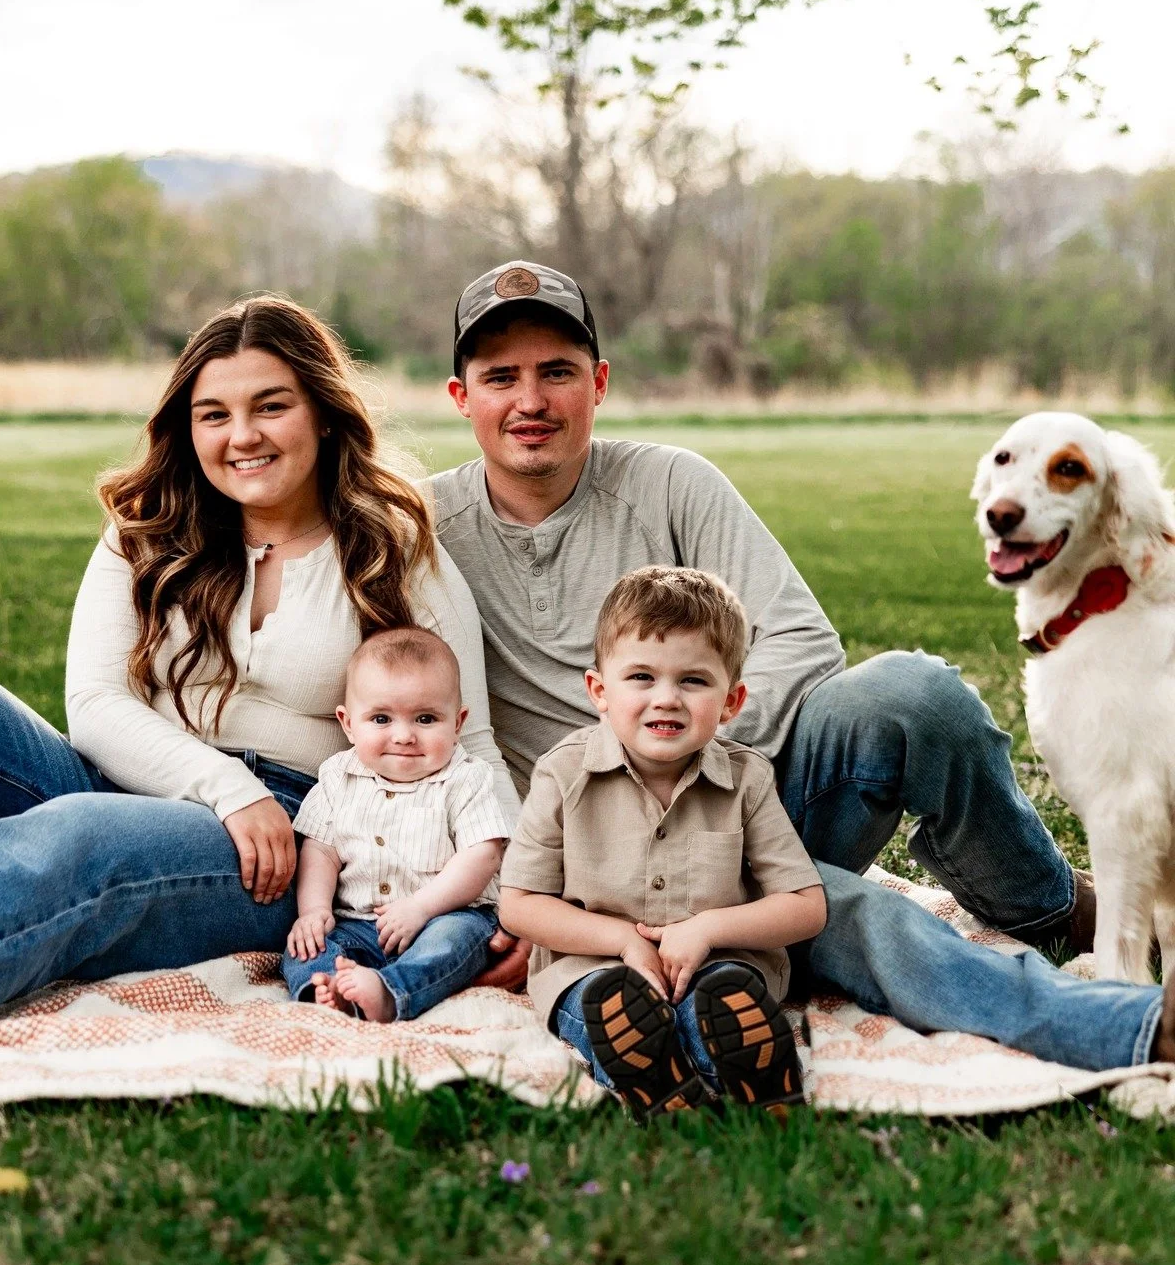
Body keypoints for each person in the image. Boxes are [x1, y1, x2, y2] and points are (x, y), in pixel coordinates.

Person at [436, 259, 1175, 1073]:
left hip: (744, 800)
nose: (531, 401)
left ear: (600, 382)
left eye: (557, 373)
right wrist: (509, 886)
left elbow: (800, 642)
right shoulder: (425, 525)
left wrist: (696, 769)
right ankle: (1125, 1025)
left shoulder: (672, 482)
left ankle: (1052, 908)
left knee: (916, 695)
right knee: (851, 913)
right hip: (583, 863)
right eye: (500, 377)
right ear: (461, 396)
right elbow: (431, 721)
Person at [0, 296, 519, 1052]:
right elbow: (95, 705)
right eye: (214, 414)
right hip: (142, 781)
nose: (242, 435)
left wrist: (515, 901)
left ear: (321, 411)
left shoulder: (391, 548)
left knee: (71, 836)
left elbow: (472, 740)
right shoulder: (146, 527)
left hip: (288, 842)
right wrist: (223, 785)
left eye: (271, 407)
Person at [501, 567, 826, 1119]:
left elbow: (806, 906)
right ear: (599, 690)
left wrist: (707, 929)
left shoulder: (746, 779)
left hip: (720, 967)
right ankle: (657, 1076)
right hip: (596, 967)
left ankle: (753, 1073)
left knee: (721, 1001)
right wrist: (624, 941)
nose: (667, 699)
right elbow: (519, 904)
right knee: (610, 1005)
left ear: (732, 701)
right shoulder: (562, 774)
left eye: (694, 681)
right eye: (642, 678)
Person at [282, 626, 512, 1022]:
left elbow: (483, 854)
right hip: (357, 923)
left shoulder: (466, 778)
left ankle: (392, 993)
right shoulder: (338, 777)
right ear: (348, 723)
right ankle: (326, 990)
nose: (404, 736)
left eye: (425, 718)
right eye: (381, 718)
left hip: (444, 916)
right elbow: (320, 850)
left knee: (455, 942)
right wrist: (314, 910)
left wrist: (422, 908)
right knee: (306, 944)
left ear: (457, 723)